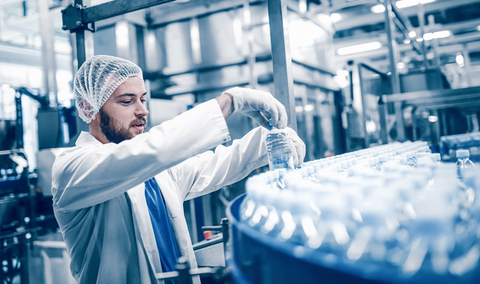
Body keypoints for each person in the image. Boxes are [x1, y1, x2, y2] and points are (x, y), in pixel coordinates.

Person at [51, 55, 305, 284]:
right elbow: (153, 151)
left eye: (142, 99)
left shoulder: (156, 171)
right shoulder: (72, 170)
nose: (142, 110)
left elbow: (217, 164)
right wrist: (230, 102)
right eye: (127, 101)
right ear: (89, 108)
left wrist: (270, 140)